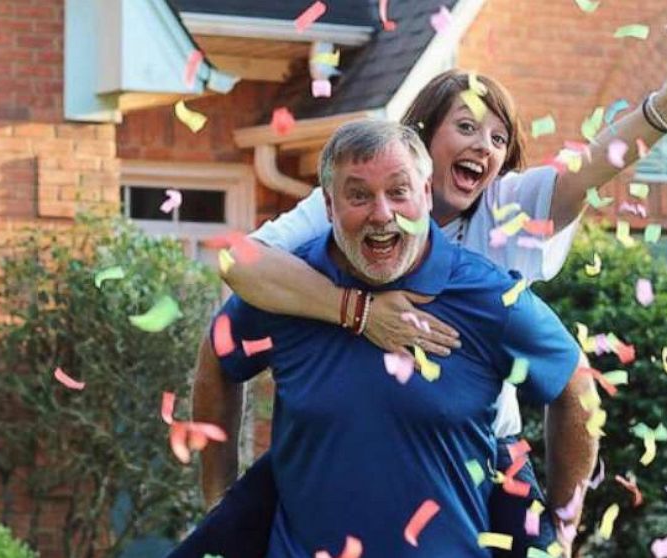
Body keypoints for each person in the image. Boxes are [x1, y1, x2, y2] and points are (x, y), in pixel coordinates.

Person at [171, 18, 667, 558]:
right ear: (421, 141)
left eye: (497, 138)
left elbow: (596, 165)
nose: (484, 146)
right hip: (328, 446)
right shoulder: (350, 200)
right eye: (468, 127)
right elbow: (240, 265)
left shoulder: (507, 208)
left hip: (481, 450)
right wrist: (359, 311)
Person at [192, 119, 585, 557]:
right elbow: (219, 356)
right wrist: (220, 501)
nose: (381, 214)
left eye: (398, 192)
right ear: (328, 204)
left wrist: (563, 521)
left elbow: (574, 384)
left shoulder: (487, 297)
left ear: (425, 193)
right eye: (358, 195)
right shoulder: (288, 290)